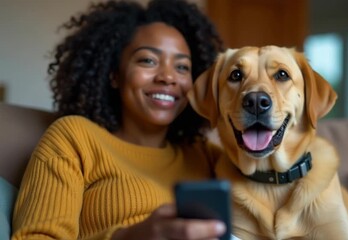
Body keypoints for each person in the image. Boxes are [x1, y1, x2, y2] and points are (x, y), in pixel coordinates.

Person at [11, 0, 225, 239]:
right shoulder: (75, 138)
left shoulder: (205, 156)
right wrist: (127, 237)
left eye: (183, 67)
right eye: (148, 61)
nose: (168, 77)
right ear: (114, 75)